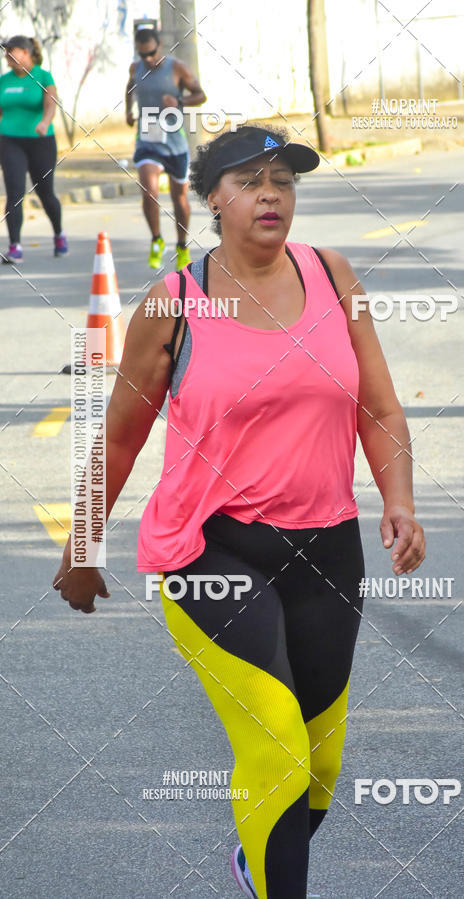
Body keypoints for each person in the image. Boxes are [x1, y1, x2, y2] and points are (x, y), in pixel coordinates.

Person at [53, 124, 426, 898]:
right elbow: (121, 436)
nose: (271, 194)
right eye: (251, 181)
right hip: (211, 550)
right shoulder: (176, 302)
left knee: (320, 761)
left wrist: (399, 502)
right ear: (212, 198)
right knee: (278, 741)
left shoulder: (333, 277)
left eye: (284, 181)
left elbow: (380, 405)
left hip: (327, 547)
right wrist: (81, 546)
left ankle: (257, 855)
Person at [125, 23, 206, 271]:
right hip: (148, 138)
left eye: (151, 53)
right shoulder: (136, 68)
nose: (148, 59)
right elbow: (130, 87)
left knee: (178, 196)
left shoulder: (176, 68)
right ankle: (157, 239)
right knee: (148, 189)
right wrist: (128, 109)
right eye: (143, 54)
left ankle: (182, 245)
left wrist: (179, 101)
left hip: (174, 139)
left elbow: (201, 95)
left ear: (159, 46)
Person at [0, 35, 67, 264]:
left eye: (11, 51)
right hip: (10, 141)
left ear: (26, 53)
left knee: (45, 192)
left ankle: (58, 233)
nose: (7, 56)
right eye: (5, 52)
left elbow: (51, 102)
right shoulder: (4, 80)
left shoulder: (42, 76)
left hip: (41, 141)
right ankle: (15, 246)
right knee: (15, 193)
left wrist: (45, 122)